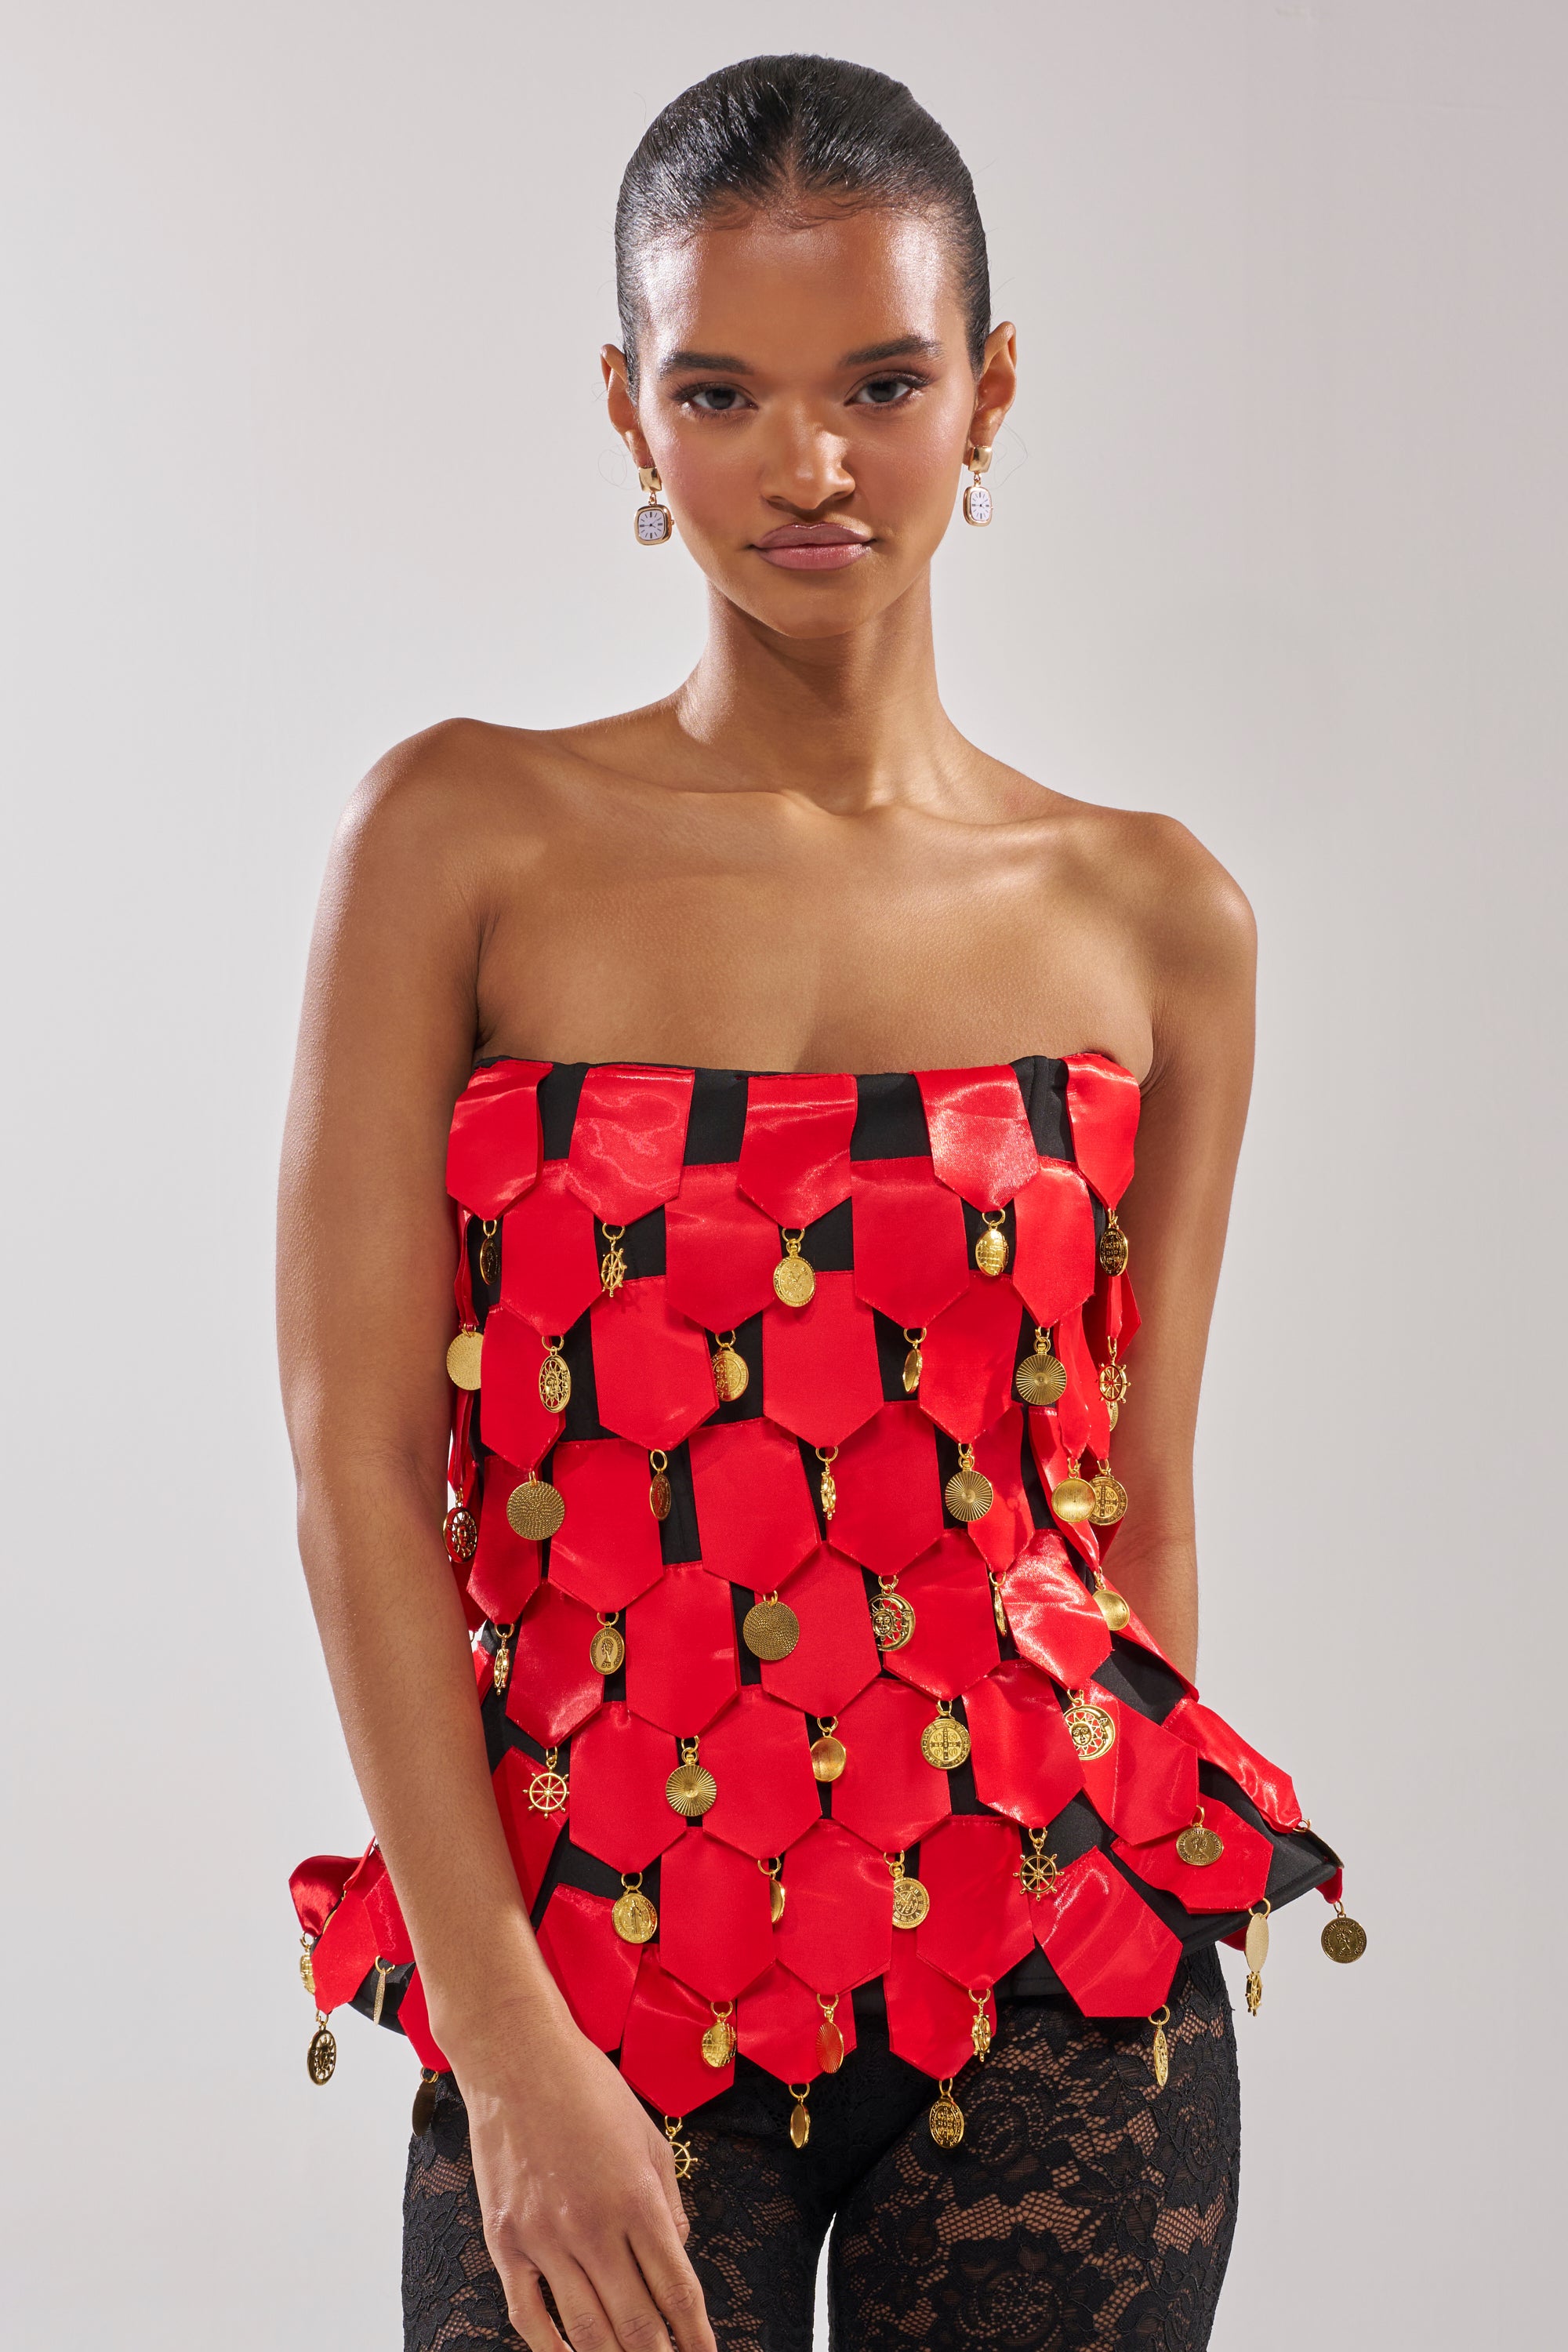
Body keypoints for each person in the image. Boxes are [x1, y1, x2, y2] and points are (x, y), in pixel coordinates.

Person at [279, 52, 1354, 2352]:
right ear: (625, 409)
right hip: (591, 1963)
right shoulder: (456, 844)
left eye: (880, 380)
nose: (811, 462)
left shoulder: (1160, 918)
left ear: (986, 391)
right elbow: (365, 1477)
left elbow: (1136, 1493)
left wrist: (1136, 1910)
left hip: (1057, 1967)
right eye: (722, 389)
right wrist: (503, 2047)